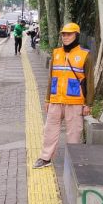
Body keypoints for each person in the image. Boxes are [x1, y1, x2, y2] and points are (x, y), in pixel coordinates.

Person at [33, 23, 94, 169]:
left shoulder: (85, 55)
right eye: (63, 34)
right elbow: (51, 78)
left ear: (76, 36)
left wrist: (88, 104)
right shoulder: (56, 53)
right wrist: (48, 98)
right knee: (49, 130)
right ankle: (45, 157)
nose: (65, 37)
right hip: (56, 99)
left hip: (75, 101)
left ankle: (72, 159)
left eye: (69, 34)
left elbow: (90, 81)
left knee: (74, 132)